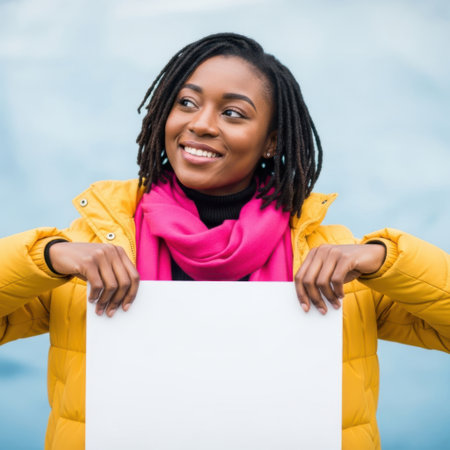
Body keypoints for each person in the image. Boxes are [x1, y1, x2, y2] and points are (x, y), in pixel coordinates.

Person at [0, 32, 448, 450]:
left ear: (271, 141)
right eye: (186, 103)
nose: (201, 124)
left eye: (233, 113)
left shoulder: (331, 260)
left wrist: (385, 259)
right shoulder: (90, 249)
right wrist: (46, 257)